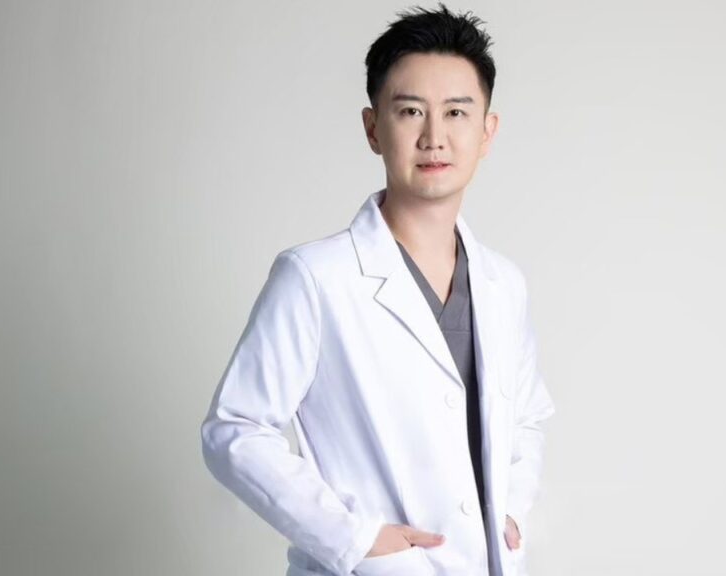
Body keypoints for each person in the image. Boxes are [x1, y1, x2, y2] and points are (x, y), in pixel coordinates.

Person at [200, 4, 555, 575]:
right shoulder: (315, 277)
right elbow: (235, 429)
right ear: (373, 128)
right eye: (410, 111)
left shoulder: (503, 284)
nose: (434, 137)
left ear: (487, 131)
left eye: (456, 112)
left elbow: (528, 419)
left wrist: (510, 511)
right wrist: (353, 539)